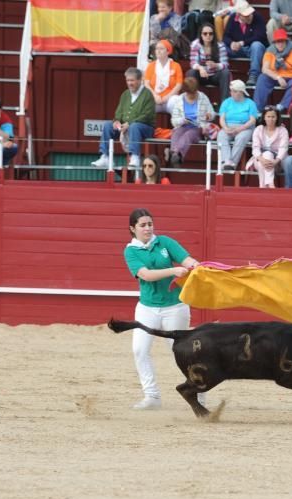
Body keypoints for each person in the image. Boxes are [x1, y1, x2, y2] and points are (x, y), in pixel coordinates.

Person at [123, 208, 203, 410]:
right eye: (143, 225)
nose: (148, 228)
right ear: (133, 229)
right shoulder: (131, 251)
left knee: (181, 352)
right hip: (147, 308)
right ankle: (152, 396)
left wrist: (196, 265)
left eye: (150, 224)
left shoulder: (165, 242)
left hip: (175, 307)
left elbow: (187, 260)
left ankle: (200, 393)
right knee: (139, 350)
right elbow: (146, 275)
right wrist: (173, 270)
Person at [92, 67, 156, 171]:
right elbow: (119, 112)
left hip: (145, 128)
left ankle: (135, 157)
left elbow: (147, 115)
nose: (130, 83)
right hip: (126, 127)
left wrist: (129, 124)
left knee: (134, 126)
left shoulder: (147, 94)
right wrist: (117, 121)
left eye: (132, 80)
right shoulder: (125, 94)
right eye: (128, 80)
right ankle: (105, 157)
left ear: (140, 80)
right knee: (108, 125)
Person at [253, 28, 292, 112]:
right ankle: (258, 108)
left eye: (282, 41)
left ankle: (282, 106)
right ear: (274, 42)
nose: (280, 44)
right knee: (262, 78)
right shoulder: (270, 51)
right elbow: (265, 69)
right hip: (275, 76)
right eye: (278, 41)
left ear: (286, 41)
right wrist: (278, 77)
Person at [167, 75, 215, 168]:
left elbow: (212, 113)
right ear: (185, 92)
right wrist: (182, 120)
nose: (192, 95)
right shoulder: (179, 100)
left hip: (198, 128)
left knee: (188, 134)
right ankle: (175, 155)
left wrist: (209, 116)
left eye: (193, 93)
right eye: (189, 93)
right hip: (183, 125)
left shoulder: (203, 97)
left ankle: (175, 153)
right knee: (177, 133)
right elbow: (174, 121)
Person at [217, 79, 259, 171]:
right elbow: (222, 118)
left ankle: (232, 163)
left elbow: (252, 120)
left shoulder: (250, 103)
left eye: (234, 91)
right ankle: (226, 161)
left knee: (241, 138)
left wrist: (239, 129)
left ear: (241, 92)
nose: (231, 93)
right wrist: (225, 128)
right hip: (228, 126)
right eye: (231, 91)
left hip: (245, 127)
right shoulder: (226, 102)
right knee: (221, 135)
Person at [223, 1, 267, 87]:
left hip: (253, 49)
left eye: (250, 14)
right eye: (246, 15)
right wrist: (231, 43)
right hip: (238, 49)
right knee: (221, 46)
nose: (250, 17)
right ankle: (223, 72)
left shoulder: (258, 17)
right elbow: (225, 37)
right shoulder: (232, 18)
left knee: (257, 45)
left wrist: (242, 43)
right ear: (239, 15)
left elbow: (261, 36)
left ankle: (253, 75)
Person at [247, 104, 289, 187]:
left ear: (277, 118)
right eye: (268, 116)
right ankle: (270, 184)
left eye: (273, 117)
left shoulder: (283, 130)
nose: (271, 119)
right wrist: (262, 159)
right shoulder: (258, 129)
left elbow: (283, 149)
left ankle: (262, 187)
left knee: (267, 156)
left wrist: (275, 161)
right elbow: (255, 148)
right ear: (264, 117)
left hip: (278, 162)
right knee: (266, 155)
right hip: (260, 159)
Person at [188, 23, 231, 103]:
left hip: (215, 75)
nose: (208, 36)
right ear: (201, 35)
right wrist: (200, 68)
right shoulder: (195, 45)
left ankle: (224, 104)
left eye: (210, 34)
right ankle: (192, 101)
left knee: (225, 73)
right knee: (191, 72)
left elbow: (225, 64)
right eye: (205, 33)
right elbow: (193, 63)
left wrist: (216, 65)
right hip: (201, 75)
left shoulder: (220, 46)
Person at [145, 40, 184, 114]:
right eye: (157, 49)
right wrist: (155, 96)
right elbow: (147, 84)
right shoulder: (151, 66)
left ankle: (177, 124)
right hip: (155, 99)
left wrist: (167, 97)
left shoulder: (176, 66)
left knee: (176, 101)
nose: (158, 51)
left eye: (161, 49)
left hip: (169, 99)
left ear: (168, 51)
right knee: (144, 101)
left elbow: (179, 85)